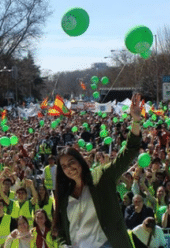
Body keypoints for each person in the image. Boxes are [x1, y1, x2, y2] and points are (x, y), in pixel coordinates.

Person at [52, 93, 143, 247]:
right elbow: (60, 229)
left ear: (80, 161)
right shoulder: (64, 195)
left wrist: (135, 120)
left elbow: (129, 152)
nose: (69, 168)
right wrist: (62, 245)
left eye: (71, 162)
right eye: (64, 166)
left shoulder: (101, 177)